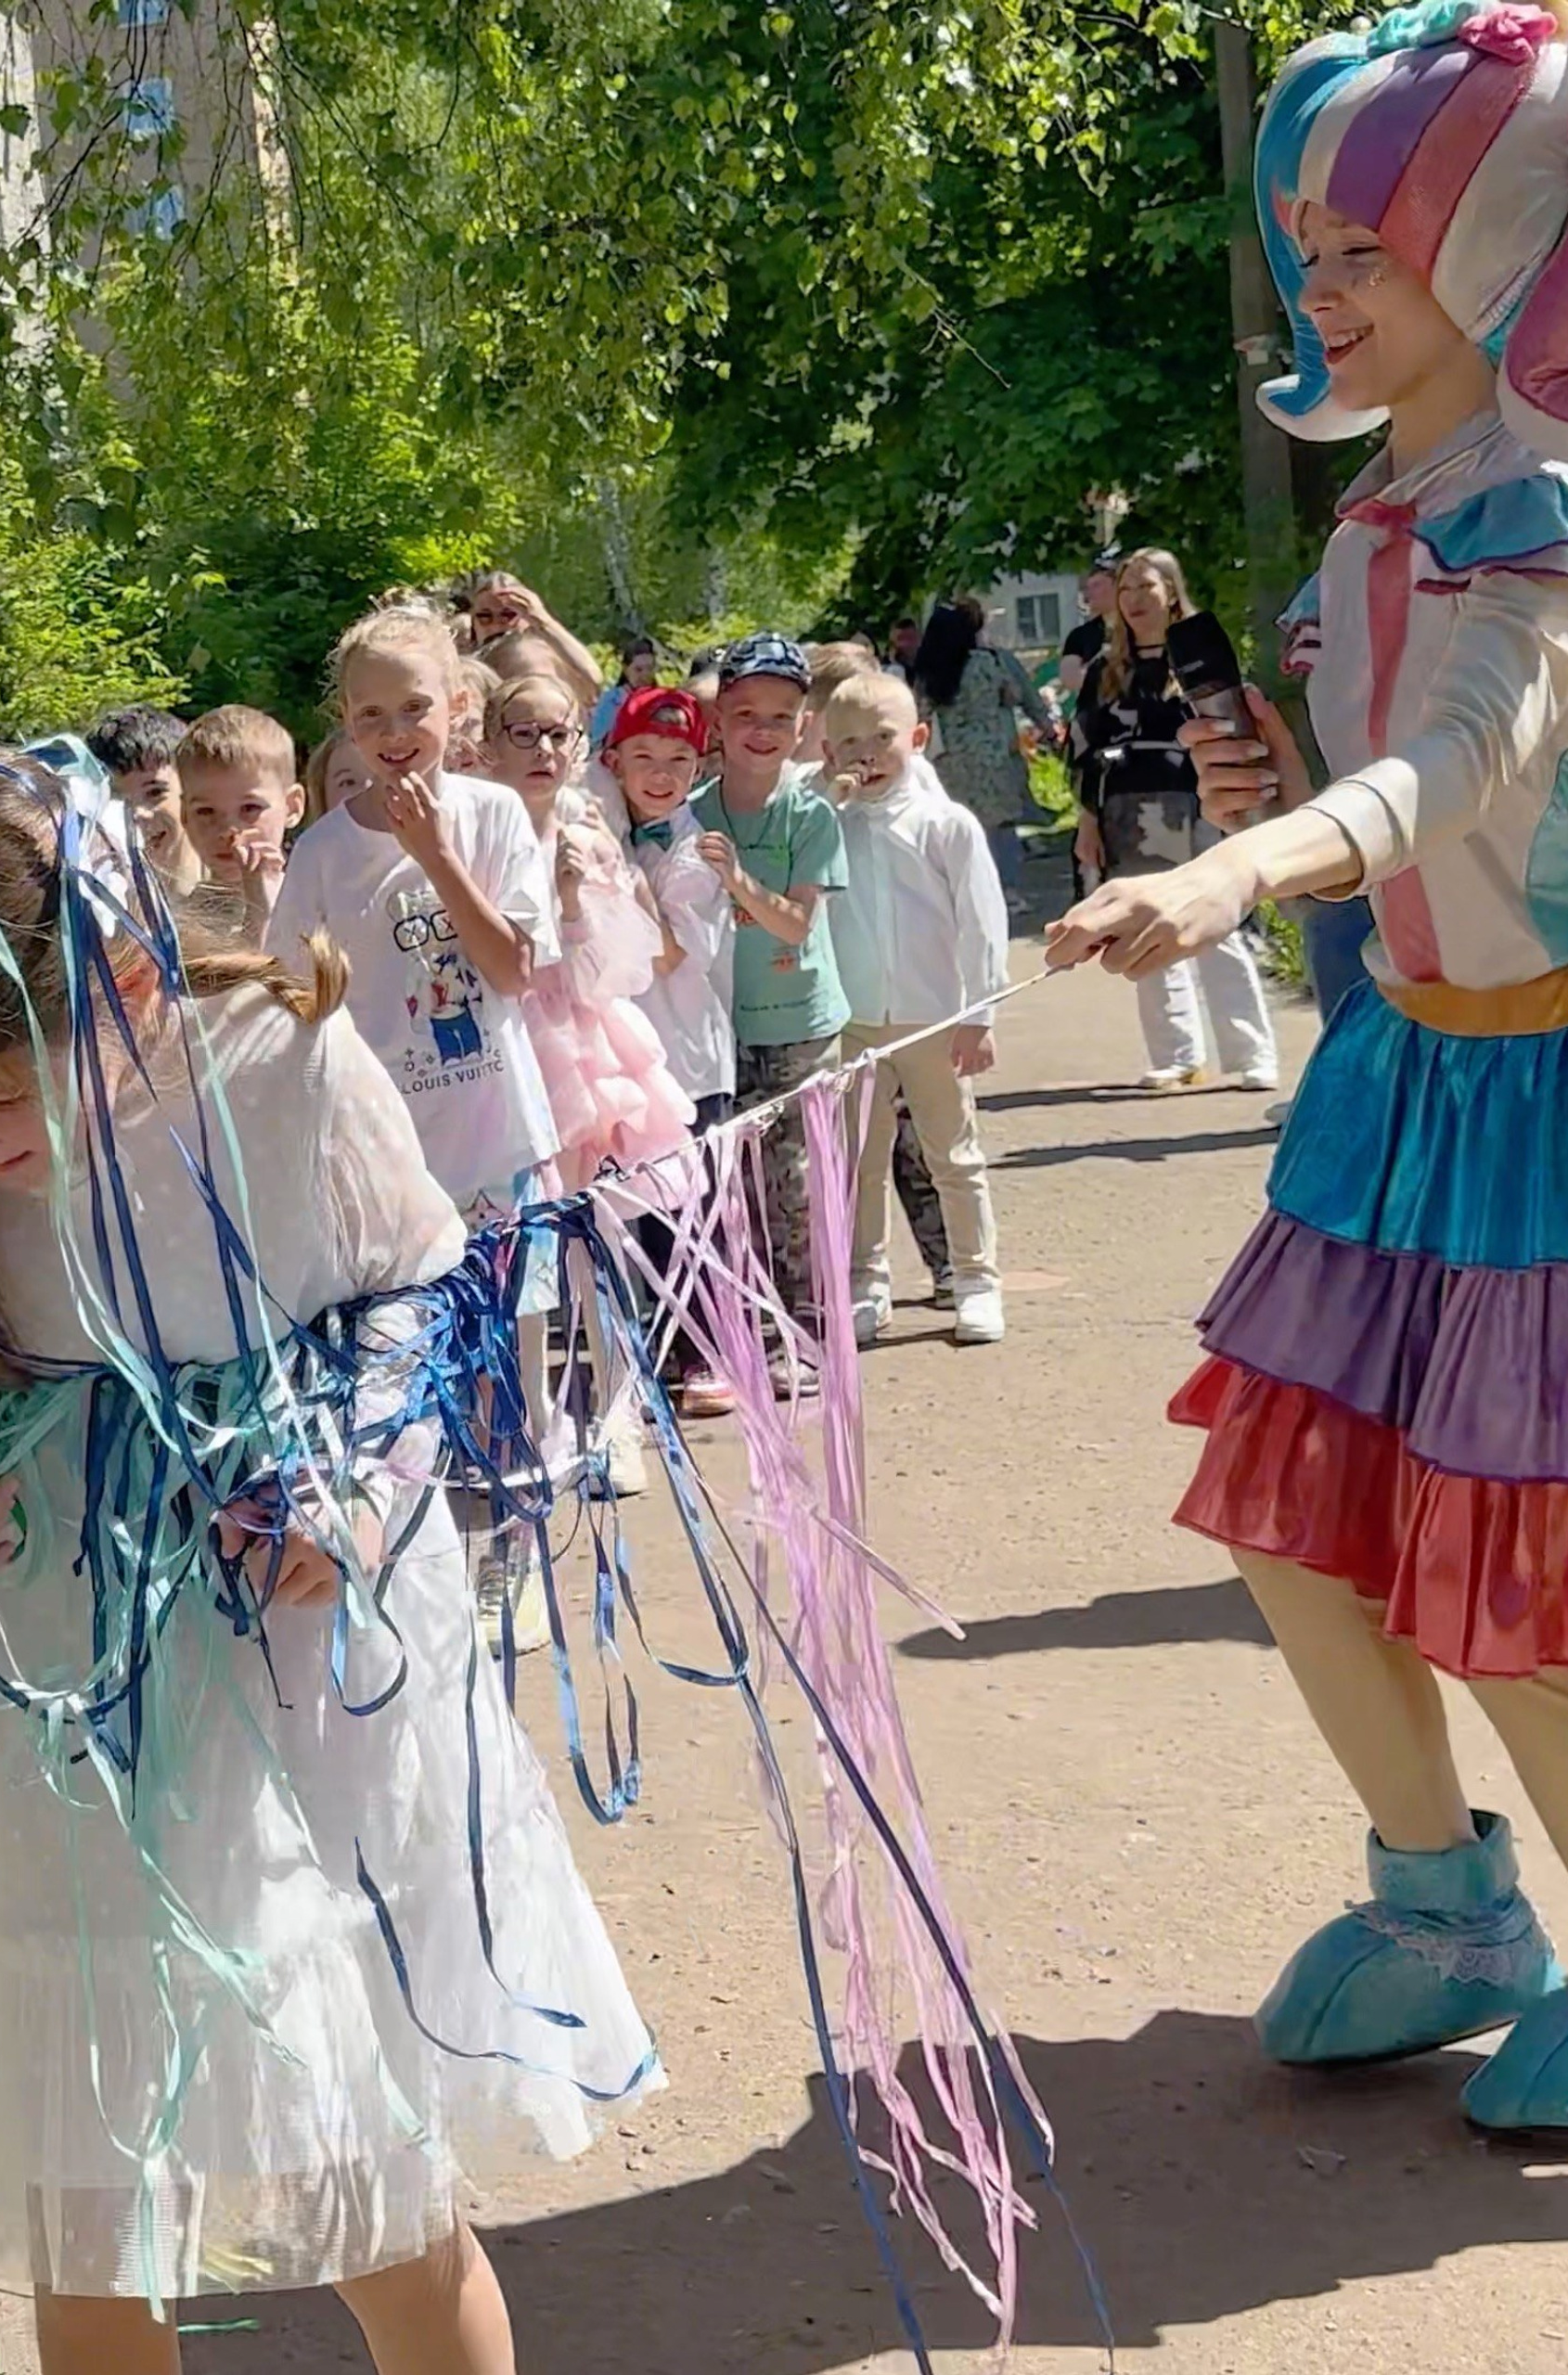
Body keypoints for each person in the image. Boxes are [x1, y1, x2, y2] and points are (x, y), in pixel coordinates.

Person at [0, 752, 654, 2369]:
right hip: (55, 1673)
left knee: (361, 2175)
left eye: (2, 1094)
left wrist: (344, 1473)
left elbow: (419, 1287)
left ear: (117, 976)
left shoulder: (276, 1060)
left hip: (290, 1660)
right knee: (94, 2175)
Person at [1049, 0, 1568, 2133]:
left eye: (1358, 242)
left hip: (1541, 1092)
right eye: (1300, 249)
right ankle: (1442, 1905)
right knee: (1295, 1517)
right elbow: (1389, 792)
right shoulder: (1394, 501)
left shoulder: (1529, 501)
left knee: (1515, 1578)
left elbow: (1470, 760)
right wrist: (1272, 801)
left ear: (1508, 242)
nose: (1315, 291)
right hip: (1403, 1075)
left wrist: (1255, 850)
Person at [265, 604, 559, 1225]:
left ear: (457, 708)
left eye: (415, 708)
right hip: (389, 1152)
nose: (395, 733)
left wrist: (436, 855)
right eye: (370, 714)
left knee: (516, 1313)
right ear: (346, 721)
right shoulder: (321, 851)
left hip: (498, 1140)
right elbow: (293, 1001)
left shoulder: (496, 814)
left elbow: (514, 973)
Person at [820, 673, 1009, 1348]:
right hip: (855, 1023)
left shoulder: (945, 824)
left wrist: (979, 1012)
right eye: (847, 743)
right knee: (857, 1162)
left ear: (918, 739)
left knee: (952, 1154)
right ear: (825, 748)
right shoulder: (827, 823)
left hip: (933, 1015)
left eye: (882, 738)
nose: (865, 754)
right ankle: (865, 1282)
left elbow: (982, 920)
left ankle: (975, 1279)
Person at [691, 630, 849, 1360]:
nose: (763, 730)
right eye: (747, 712)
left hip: (799, 1027)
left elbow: (793, 925)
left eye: (781, 717)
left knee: (799, 1184)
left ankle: (811, 1332)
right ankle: (750, 1328)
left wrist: (736, 884)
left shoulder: (811, 814)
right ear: (719, 719)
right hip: (722, 1025)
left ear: (803, 727)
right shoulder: (689, 810)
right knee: (737, 1184)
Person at [1073, 550, 1280, 1093]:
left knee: (1215, 925)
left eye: (1146, 586)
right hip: (1126, 806)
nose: (1135, 599)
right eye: (1126, 589)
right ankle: (1176, 1055)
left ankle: (1251, 1053)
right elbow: (1085, 749)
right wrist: (1087, 822)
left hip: (1195, 802)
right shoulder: (1104, 670)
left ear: (1171, 591)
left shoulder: (1196, 660)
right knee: (1145, 926)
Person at [479, 672, 691, 1186]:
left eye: (558, 734)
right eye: (524, 734)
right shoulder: (472, 844)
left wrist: (573, 906)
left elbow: (620, 973)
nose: (543, 750)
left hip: (575, 1042)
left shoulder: (588, 841)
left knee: (579, 1189)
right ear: (490, 748)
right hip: (498, 1037)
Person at [603, 682, 737, 1418]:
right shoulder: (602, 829)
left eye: (678, 761)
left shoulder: (697, 852)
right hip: (620, 1061)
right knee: (635, 1215)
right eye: (644, 757)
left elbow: (666, 953)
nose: (660, 775)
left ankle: (708, 1353)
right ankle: (648, 1353)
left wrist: (622, 879)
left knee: (694, 1215)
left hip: (686, 1061)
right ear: (613, 761)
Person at [911, 597, 1056, 905]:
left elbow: (920, 714)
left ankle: (963, 894)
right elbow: (1018, 694)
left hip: (949, 761)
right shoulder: (990, 662)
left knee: (958, 829)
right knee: (1001, 829)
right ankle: (1008, 892)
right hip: (994, 757)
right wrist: (1046, 728)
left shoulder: (931, 670)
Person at [176, 702, 301, 944]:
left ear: (292, 807)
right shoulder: (182, 925)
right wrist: (258, 916)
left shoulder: (319, 902)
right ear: (185, 816)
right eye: (206, 811)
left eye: (250, 808)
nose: (228, 831)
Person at [84, 705, 199, 897]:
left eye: (154, 792)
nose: (138, 813)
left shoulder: (242, 890)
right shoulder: (101, 908)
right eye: (116, 801)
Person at [464, 570, 604, 711]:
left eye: (508, 615)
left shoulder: (549, 660)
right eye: (484, 616)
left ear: (528, 616)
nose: (496, 625)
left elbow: (592, 681)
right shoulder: (468, 671)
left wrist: (544, 621)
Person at [1057, 554, 1120, 706]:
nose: (1088, 594)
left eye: (1097, 585)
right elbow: (1070, 679)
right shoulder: (1079, 636)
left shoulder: (1140, 626)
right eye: (1087, 587)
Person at [589, 634, 663, 746]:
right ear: (625, 669)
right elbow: (596, 740)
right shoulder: (611, 700)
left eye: (650, 669)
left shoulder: (662, 701)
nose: (645, 675)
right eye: (638, 670)